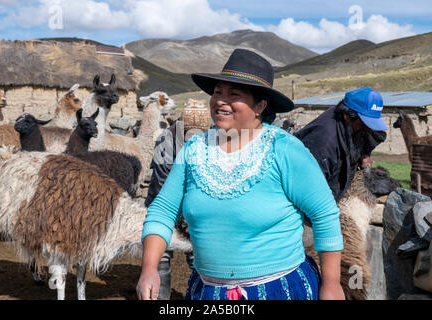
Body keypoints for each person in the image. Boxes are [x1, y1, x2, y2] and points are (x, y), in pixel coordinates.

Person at [137, 49, 344, 300]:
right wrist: (149, 269)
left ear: (260, 106)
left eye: (234, 94)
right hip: (208, 291)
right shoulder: (194, 149)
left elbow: (324, 215)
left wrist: (331, 284)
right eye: (217, 92)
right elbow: (163, 209)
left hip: (279, 290)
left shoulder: (283, 149)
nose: (220, 101)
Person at [144, 103, 210, 300]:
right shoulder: (167, 141)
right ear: (183, 125)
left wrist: (196, 215)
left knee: (199, 258)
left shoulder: (214, 139)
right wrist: (183, 220)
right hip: (164, 204)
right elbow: (163, 185)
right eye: (191, 131)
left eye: (202, 131)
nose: (196, 136)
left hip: (195, 207)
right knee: (161, 256)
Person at [294, 88, 388, 202]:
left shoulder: (355, 125)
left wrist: (365, 154)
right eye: (365, 123)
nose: (368, 128)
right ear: (347, 116)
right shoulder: (324, 142)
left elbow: (376, 135)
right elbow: (309, 192)